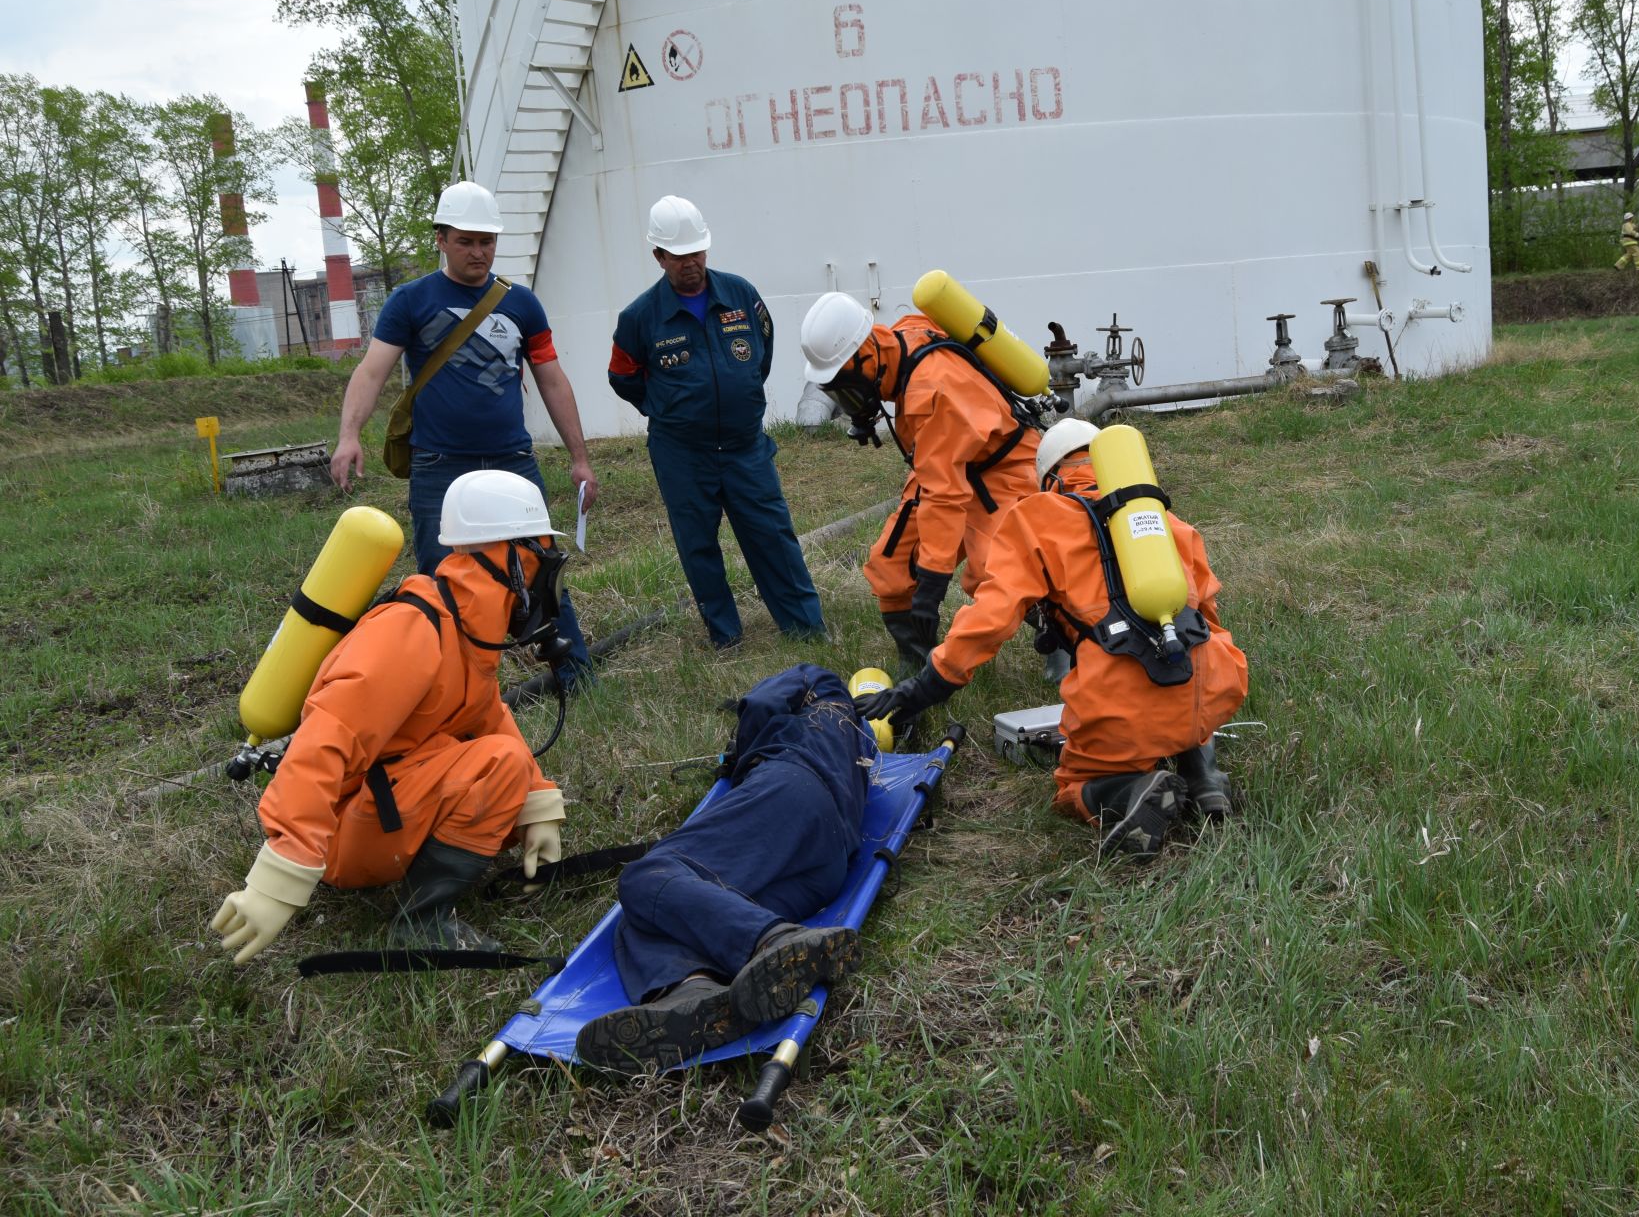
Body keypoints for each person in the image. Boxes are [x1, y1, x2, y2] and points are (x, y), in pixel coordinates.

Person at [210, 471, 571, 965]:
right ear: (508, 558)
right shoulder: (412, 630)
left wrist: (537, 805)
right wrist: (280, 878)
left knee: (498, 754)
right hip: (339, 838)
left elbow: (487, 716)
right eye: (538, 559)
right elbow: (325, 740)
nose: (542, 580)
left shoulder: (463, 628)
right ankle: (420, 923)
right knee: (499, 762)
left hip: (379, 806)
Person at [857, 420, 1249, 861]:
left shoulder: (1036, 518)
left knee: (1071, 788)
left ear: (1049, 476)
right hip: (1213, 686)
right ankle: (1207, 783)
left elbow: (988, 620)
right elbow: (1208, 620)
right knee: (1189, 673)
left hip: (1122, 704)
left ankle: (1131, 791)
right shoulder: (1165, 521)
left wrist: (923, 686)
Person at [329, 180, 597, 692]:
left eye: (487, 242)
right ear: (442, 239)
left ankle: (575, 675)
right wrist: (349, 435)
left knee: (539, 565)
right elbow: (371, 372)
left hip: (511, 459)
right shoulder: (410, 301)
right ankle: (458, 690)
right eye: (466, 241)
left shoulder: (522, 304)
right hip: (439, 465)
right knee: (439, 577)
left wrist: (580, 458)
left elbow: (553, 380)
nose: (478, 252)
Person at [575, 664, 868, 1071]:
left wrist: (739, 757)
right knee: (667, 914)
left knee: (646, 878)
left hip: (790, 790)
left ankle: (774, 939)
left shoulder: (817, 679)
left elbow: (762, 704)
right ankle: (693, 992)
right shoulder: (859, 740)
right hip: (828, 863)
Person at [607, 196, 825, 648]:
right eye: (679, 255)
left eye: (698, 251)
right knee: (698, 544)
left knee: (773, 535)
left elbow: (759, 356)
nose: (691, 263)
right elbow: (623, 378)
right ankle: (726, 635)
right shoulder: (639, 318)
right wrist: (670, 410)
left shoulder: (741, 295)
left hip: (745, 446)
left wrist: (737, 395)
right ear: (658, 257)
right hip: (682, 454)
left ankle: (805, 627)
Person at [798, 290, 1043, 676]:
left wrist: (931, 587)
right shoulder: (899, 334)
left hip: (1003, 467)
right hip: (947, 462)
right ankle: (918, 666)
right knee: (891, 566)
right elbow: (939, 479)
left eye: (847, 385)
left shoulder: (929, 392)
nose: (848, 397)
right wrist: (865, 405)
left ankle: (1070, 648)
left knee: (996, 573)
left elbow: (944, 499)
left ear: (866, 353)